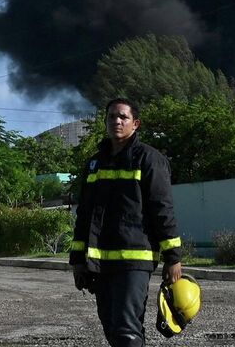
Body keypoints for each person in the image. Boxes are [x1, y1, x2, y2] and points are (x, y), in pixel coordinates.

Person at [71, 98, 183, 346]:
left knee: (126, 330)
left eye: (122, 117)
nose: (116, 121)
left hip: (134, 262)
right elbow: (84, 215)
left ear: (136, 124)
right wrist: (78, 261)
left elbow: (162, 209)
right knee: (112, 328)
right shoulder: (95, 163)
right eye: (111, 116)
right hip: (100, 264)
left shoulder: (149, 159)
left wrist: (173, 257)